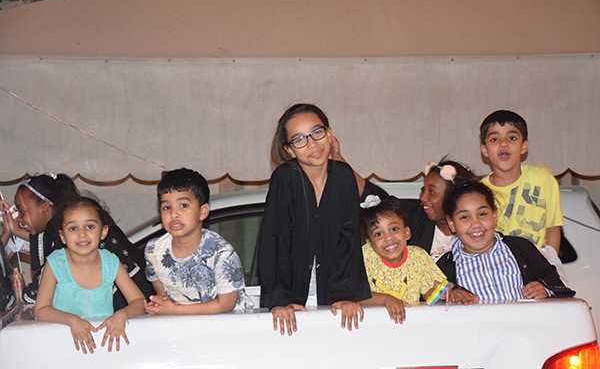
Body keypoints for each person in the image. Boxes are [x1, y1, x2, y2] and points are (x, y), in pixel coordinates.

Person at [258, 103, 371, 336]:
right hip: (292, 298)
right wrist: (279, 301)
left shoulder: (344, 177)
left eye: (316, 132)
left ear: (329, 134)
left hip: (334, 298)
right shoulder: (285, 178)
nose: (311, 144)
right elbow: (274, 240)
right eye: (299, 139)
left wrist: (347, 296)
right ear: (290, 150)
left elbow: (349, 240)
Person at [0, 174, 153, 307]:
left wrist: (18, 292)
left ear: (45, 207)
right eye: (73, 229)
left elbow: (35, 295)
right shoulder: (59, 233)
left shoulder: (66, 245)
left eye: (22, 211)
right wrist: (14, 232)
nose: (19, 218)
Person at [34, 196, 145, 354]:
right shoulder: (54, 263)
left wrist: (122, 315)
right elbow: (41, 309)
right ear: (62, 236)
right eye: (73, 228)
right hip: (59, 346)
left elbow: (139, 302)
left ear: (103, 232)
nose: (82, 234)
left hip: (100, 346)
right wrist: (72, 320)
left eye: (90, 226)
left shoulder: (111, 263)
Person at [436, 181, 575, 305]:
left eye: (482, 214)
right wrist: (449, 295)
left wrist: (545, 289)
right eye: (465, 217)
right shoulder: (443, 268)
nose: (476, 224)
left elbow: (556, 282)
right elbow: (430, 302)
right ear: (451, 223)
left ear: (494, 216)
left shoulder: (522, 249)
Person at [144, 168, 252, 315]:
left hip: (230, 323)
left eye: (183, 205)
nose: (173, 214)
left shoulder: (221, 253)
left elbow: (226, 304)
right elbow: (164, 297)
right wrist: (165, 307)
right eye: (166, 207)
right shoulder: (153, 250)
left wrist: (176, 310)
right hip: (183, 324)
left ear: (203, 211)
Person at [479, 110, 564, 254]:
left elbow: (552, 228)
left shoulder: (543, 178)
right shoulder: (479, 191)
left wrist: (551, 264)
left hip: (539, 264)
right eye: (494, 139)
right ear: (484, 150)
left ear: (524, 146)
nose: (503, 143)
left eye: (511, 138)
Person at [359, 195, 448, 324]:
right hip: (373, 325)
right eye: (378, 234)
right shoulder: (364, 257)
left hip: (410, 324)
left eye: (394, 229)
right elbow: (355, 295)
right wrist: (386, 299)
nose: (388, 238)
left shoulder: (418, 257)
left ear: (407, 232)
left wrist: (439, 293)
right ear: (369, 242)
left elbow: (429, 293)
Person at [408, 157, 479, 261]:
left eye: (432, 192)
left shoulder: (475, 233)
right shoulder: (415, 220)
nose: (423, 197)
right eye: (423, 190)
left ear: (453, 196)